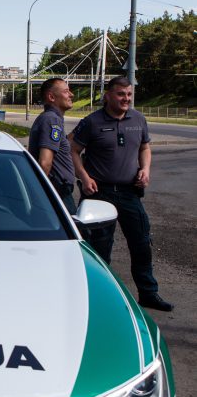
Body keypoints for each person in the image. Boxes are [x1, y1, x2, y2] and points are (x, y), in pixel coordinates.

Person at [70, 76, 173, 311]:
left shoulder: (138, 119)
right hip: (99, 193)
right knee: (99, 248)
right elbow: (73, 150)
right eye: (121, 94)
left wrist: (145, 169)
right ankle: (98, 298)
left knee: (141, 243)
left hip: (129, 193)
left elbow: (145, 148)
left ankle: (148, 293)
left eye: (129, 94)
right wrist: (84, 178)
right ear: (108, 95)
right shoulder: (91, 122)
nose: (126, 99)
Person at [28, 77, 76, 214]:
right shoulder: (51, 119)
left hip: (58, 191)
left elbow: (59, 147)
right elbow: (45, 162)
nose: (71, 95)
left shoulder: (51, 119)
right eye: (66, 91)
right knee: (75, 234)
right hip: (57, 192)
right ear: (51, 97)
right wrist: (41, 195)